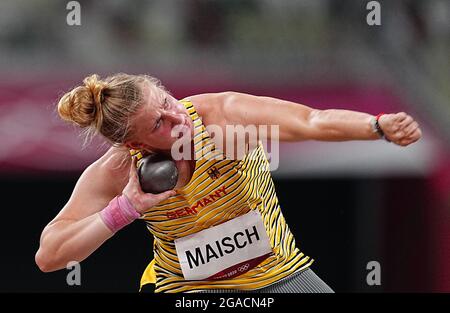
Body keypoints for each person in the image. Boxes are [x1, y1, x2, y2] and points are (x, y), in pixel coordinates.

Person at [35, 73, 422, 293]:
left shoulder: (222, 115)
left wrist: (376, 126)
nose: (178, 118)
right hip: (188, 291)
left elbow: (311, 121)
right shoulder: (118, 171)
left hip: (278, 274)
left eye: (167, 101)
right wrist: (125, 210)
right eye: (160, 124)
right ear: (135, 143)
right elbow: (50, 256)